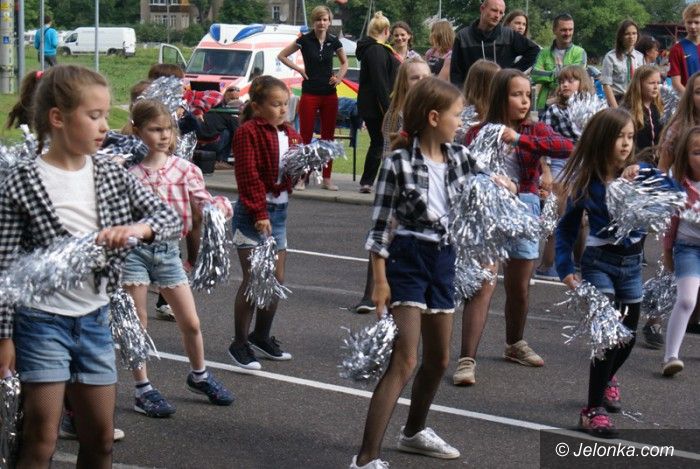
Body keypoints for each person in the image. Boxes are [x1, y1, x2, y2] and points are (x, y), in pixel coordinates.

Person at [0, 65, 182, 467]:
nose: (105, 126)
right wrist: (4, 337)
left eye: (106, 115)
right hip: (40, 323)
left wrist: (137, 229)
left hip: (95, 321)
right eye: (95, 115)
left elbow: (170, 219)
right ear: (58, 118)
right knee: (40, 437)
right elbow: (6, 269)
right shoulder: (23, 180)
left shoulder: (111, 174)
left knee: (100, 439)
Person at [351, 76, 514, 469]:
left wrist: (503, 184)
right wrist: (379, 281)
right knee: (405, 360)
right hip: (407, 259)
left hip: (444, 260)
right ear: (434, 117)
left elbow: (489, 180)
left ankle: (413, 432)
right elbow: (381, 228)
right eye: (457, 115)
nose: (461, 122)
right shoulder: (398, 163)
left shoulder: (460, 156)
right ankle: (366, 458)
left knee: (439, 359)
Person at [555, 107, 678, 437]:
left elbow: (671, 189)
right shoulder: (587, 183)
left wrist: (646, 172)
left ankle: (607, 376)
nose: (625, 144)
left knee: (628, 337)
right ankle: (592, 410)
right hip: (599, 263)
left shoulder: (640, 175)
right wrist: (564, 269)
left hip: (632, 266)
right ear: (601, 140)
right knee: (608, 334)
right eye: (618, 137)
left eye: (629, 137)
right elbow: (566, 229)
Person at [453, 69, 573, 386]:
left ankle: (514, 343)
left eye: (527, 95)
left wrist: (521, 139)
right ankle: (466, 359)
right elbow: (465, 169)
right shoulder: (477, 131)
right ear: (499, 97)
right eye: (516, 95)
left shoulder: (533, 129)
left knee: (519, 288)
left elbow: (567, 147)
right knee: (483, 284)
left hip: (525, 209)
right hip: (488, 213)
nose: (524, 101)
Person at [123, 99, 235, 417]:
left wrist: (219, 209)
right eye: (154, 129)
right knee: (138, 322)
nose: (163, 135)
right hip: (134, 252)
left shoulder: (185, 169)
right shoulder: (127, 172)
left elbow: (202, 201)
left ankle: (199, 375)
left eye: (167, 129)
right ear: (137, 132)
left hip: (169, 252)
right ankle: (142, 388)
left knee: (191, 322)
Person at [227, 76, 300, 370]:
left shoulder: (289, 133)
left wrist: (305, 164)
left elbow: (290, 171)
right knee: (255, 279)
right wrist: (259, 213)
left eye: (285, 104)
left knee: (276, 280)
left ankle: (260, 335)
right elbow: (249, 176)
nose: (282, 110)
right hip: (253, 215)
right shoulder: (248, 133)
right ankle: (239, 343)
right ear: (257, 107)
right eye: (275, 104)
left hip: (279, 214)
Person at [354, 56, 432, 314]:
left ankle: (413, 290)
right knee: (384, 234)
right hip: (400, 184)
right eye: (415, 77)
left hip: (427, 185)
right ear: (404, 83)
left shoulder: (435, 112)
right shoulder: (397, 113)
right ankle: (371, 293)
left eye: (425, 77)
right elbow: (389, 151)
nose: (421, 81)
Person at [277, 5, 348, 191]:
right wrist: (299, 69)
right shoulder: (304, 40)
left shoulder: (334, 41)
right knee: (305, 137)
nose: (321, 23)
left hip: (329, 94)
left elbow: (345, 63)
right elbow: (282, 55)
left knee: (328, 137)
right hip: (309, 93)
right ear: (313, 22)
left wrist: (339, 77)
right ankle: (302, 178)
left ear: (329, 22)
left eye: (325, 20)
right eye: (318, 20)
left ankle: (327, 178)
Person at [535, 65, 593, 281]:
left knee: (582, 217)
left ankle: (580, 262)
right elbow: (543, 143)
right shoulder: (554, 111)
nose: (565, 85)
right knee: (558, 214)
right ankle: (547, 265)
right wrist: (546, 172)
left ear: (582, 83)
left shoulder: (593, 108)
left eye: (571, 80)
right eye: (561, 81)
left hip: (585, 164)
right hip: (560, 163)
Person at [662, 126, 700, 376]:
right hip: (688, 249)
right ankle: (670, 356)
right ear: (685, 157)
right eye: (697, 152)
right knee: (687, 300)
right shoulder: (679, 186)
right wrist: (667, 253)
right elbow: (670, 224)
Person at [356, 11, 400, 193]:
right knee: (379, 142)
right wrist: (388, 109)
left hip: (373, 104)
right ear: (386, 31)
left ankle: (371, 180)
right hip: (377, 106)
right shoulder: (377, 50)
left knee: (379, 142)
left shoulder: (374, 49)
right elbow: (380, 81)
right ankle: (368, 181)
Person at [449, 0, 539, 88]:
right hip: (472, 93)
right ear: (482, 8)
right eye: (494, 10)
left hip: (500, 92)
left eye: (501, 13)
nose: (497, 16)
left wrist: (511, 72)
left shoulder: (508, 35)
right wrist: (461, 93)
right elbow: (456, 72)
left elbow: (534, 50)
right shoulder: (463, 36)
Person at [531, 13, 588, 112]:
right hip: (544, 106)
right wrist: (556, 73)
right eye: (563, 30)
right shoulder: (543, 52)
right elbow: (535, 75)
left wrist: (547, 76)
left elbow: (577, 76)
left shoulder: (580, 52)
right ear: (554, 30)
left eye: (570, 29)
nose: (568, 33)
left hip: (570, 105)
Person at [621, 65, 663, 156]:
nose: (656, 87)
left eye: (658, 83)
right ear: (639, 84)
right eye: (651, 83)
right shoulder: (627, 110)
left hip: (657, 160)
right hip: (636, 159)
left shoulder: (660, 107)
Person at [601, 19, 644, 108]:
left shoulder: (640, 57)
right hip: (617, 99)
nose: (631, 37)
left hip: (636, 100)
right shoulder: (610, 57)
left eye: (634, 33)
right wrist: (615, 108)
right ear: (621, 36)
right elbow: (606, 85)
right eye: (627, 34)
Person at [668, 2, 700, 94]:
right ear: (684, 23)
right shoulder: (676, 49)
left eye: (697, 22)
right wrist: (691, 99)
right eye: (689, 22)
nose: (692, 26)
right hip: (688, 99)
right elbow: (676, 83)